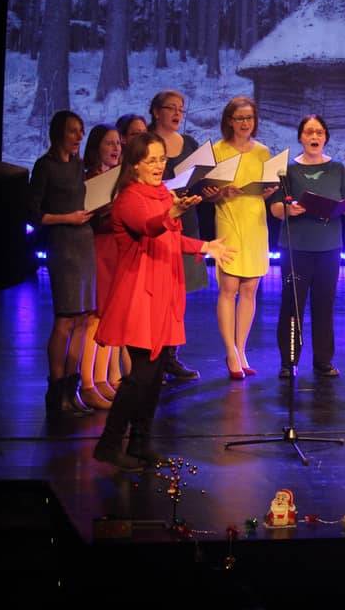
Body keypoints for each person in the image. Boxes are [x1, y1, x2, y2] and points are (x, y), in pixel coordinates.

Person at [92, 133, 233, 469]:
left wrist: (204, 246)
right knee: (141, 374)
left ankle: (140, 442)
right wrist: (172, 211)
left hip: (164, 289)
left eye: (162, 159)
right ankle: (108, 444)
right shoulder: (129, 198)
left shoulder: (162, 194)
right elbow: (148, 227)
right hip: (140, 293)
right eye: (151, 160)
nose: (159, 166)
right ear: (135, 165)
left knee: (155, 375)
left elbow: (170, 238)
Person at [269, 114, 345, 379]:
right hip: (296, 247)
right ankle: (289, 361)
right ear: (301, 137)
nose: (314, 137)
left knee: (324, 305)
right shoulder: (287, 169)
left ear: (325, 137)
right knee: (292, 306)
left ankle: (323, 361)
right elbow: (275, 208)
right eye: (309, 132)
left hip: (329, 247)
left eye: (319, 132)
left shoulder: (337, 168)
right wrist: (290, 209)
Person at [27, 110, 97, 418]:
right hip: (63, 246)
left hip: (84, 243)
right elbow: (32, 213)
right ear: (58, 133)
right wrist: (67, 218)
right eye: (72, 131)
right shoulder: (45, 166)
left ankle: (72, 390)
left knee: (82, 318)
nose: (79, 136)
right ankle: (56, 392)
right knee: (65, 320)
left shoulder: (79, 166)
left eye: (81, 130)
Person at [206, 96, 277, 380]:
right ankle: (230, 351)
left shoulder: (262, 151)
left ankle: (241, 349)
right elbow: (207, 193)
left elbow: (264, 188)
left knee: (250, 289)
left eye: (249, 118)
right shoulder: (218, 150)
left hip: (255, 222)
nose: (245, 123)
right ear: (229, 121)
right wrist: (220, 192)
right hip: (229, 218)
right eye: (240, 118)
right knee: (229, 287)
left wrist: (268, 191)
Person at [148, 91, 206, 381]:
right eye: (170, 108)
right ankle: (152, 360)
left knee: (177, 299)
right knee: (156, 297)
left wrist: (207, 188)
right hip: (157, 224)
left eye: (180, 109)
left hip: (186, 222)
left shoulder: (190, 144)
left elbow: (197, 180)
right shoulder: (146, 142)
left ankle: (171, 357)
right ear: (156, 111)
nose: (176, 114)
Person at [78, 122, 124, 410]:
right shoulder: (91, 180)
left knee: (110, 316)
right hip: (99, 250)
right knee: (95, 317)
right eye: (109, 143)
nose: (116, 148)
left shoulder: (119, 180)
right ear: (96, 148)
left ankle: (101, 377)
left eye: (118, 143)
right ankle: (87, 383)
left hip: (116, 251)